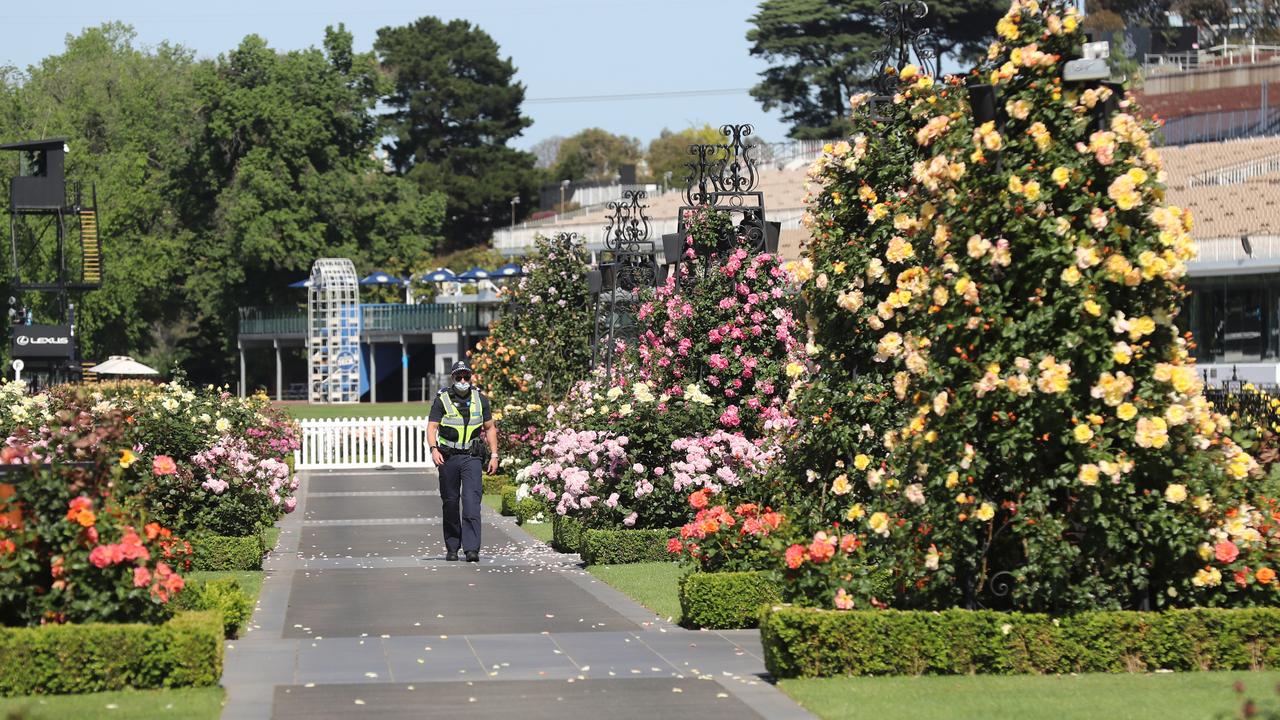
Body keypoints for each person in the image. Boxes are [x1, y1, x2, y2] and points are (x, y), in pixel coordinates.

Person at [426, 360, 498, 562]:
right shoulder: (442, 399)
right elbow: (432, 428)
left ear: (471, 376)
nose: (463, 380)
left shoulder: (480, 399)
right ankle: (452, 547)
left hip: (472, 457)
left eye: (467, 376)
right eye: (459, 377)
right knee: (450, 503)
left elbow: (489, 427)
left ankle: (472, 549)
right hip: (448, 457)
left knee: (471, 502)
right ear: (453, 378)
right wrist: (433, 449)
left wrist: (494, 455)